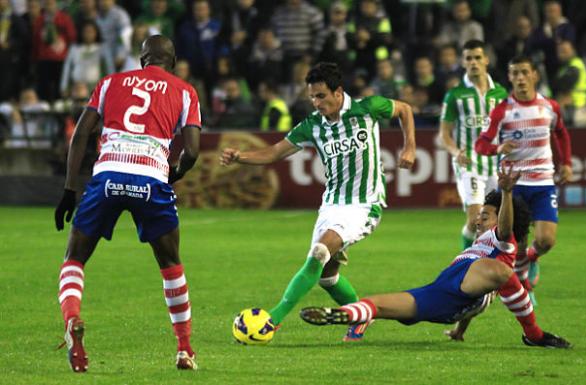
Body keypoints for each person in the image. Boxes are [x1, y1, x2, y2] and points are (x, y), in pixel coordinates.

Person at [220, 62, 415, 341]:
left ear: (338, 92)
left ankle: (272, 320)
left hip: (364, 204)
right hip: (332, 204)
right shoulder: (312, 126)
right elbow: (276, 152)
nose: (316, 102)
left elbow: (405, 110)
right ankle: (361, 316)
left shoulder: (368, 107)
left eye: (321, 96)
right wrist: (241, 156)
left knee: (319, 252)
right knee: (327, 276)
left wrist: (409, 146)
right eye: (312, 97)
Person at [53, 35, 202, 372]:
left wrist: (68, 189)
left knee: (74, 257)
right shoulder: (184, 91)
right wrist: (172, 174)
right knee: (170, 265)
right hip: (150, 178)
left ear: (142, 59)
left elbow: (80, 136)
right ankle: (184, 349)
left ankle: (72, 317)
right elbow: (192, 151)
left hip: (107, 175)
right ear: (173, 61)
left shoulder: (109, 84)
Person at [300, 167, 571, 348]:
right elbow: (476, 295)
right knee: (376, 304)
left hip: (470, 283)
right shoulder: (482, 247)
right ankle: (342, 315)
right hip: (443, 295)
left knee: (500, 273)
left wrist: (508, 193)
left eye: (485, 215)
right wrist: (460, 330)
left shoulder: (503, 242)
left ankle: (533, 335)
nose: (478, 219)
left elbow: (505, 231)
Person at [475, 55, 572, 302]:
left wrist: (567, 163)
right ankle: (524, 289)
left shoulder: (550, 107)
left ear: (534, 75)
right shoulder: (502, 110)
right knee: (514, 243)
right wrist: (497, 149)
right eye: (514, 73)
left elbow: (560, 134)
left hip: (542, 183)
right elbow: (481, 144)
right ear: (509, 78)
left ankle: (532, 258)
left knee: (546, 240)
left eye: (524, 72)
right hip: (512, 187)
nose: (519, 78)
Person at [439, 40, 509, 250]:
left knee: (493, 221)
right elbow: (445, 133)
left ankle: (486, 261)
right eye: (469, 58)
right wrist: (455, 151)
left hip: (495, 164)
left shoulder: (501, 94)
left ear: (486, 60)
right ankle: (466, 261)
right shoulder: (455, 95)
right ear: (463, 62)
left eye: (477, 57)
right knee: (476, 218)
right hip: (469, 162)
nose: (473, 62)